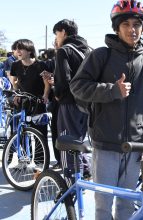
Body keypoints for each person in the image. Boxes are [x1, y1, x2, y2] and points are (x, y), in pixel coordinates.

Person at [70, 1, 143, 219]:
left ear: (142, 28)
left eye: (137, 24)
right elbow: (77, 87)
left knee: (127, 205)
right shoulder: (101, 55)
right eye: (126, 24)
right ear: (117, 28)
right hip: (105, 143)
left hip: (135, 146)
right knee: (103, 206)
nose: (132, 29)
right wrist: (112, 90)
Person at [51, 19, 91, 184]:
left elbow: (63, 79)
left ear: (63, 32)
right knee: (82, 140)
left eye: (56, 34)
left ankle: (71, 181)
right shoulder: (89, 50)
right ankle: (85, 171)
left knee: (67, 141)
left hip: (69, 102)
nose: (56, 38)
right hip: (88, 102)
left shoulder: (64, 51)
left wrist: (58, 93)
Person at [9, 39, 52, 163]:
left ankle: (40, 162)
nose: (18, 51)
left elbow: (47, 83)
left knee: (39, 132)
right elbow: (15, 82)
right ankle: (26, 157)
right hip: (22, 101)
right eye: (16, 49)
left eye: (20, 48)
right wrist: (16, 94)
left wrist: (45, 95)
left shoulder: (41, 65)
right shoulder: (15, 65)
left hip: (37, 100)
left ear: (29, 50)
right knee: (21, 130)